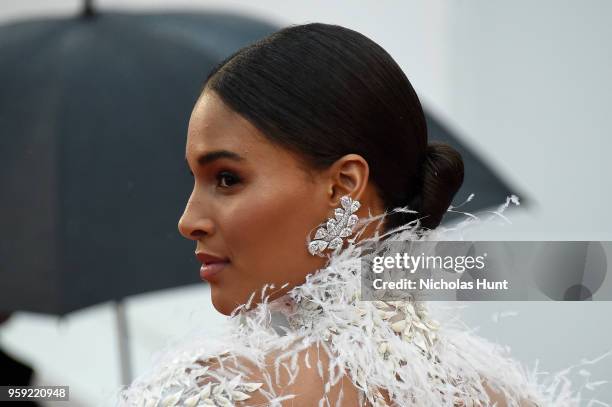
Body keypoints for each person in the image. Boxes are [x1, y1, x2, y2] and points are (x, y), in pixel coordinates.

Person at [117, 23, 578, 406]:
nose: (189, 220)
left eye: (227, 179)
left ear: (343, 187)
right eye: (196, 181)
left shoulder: (224, 389)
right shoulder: (499, 395)